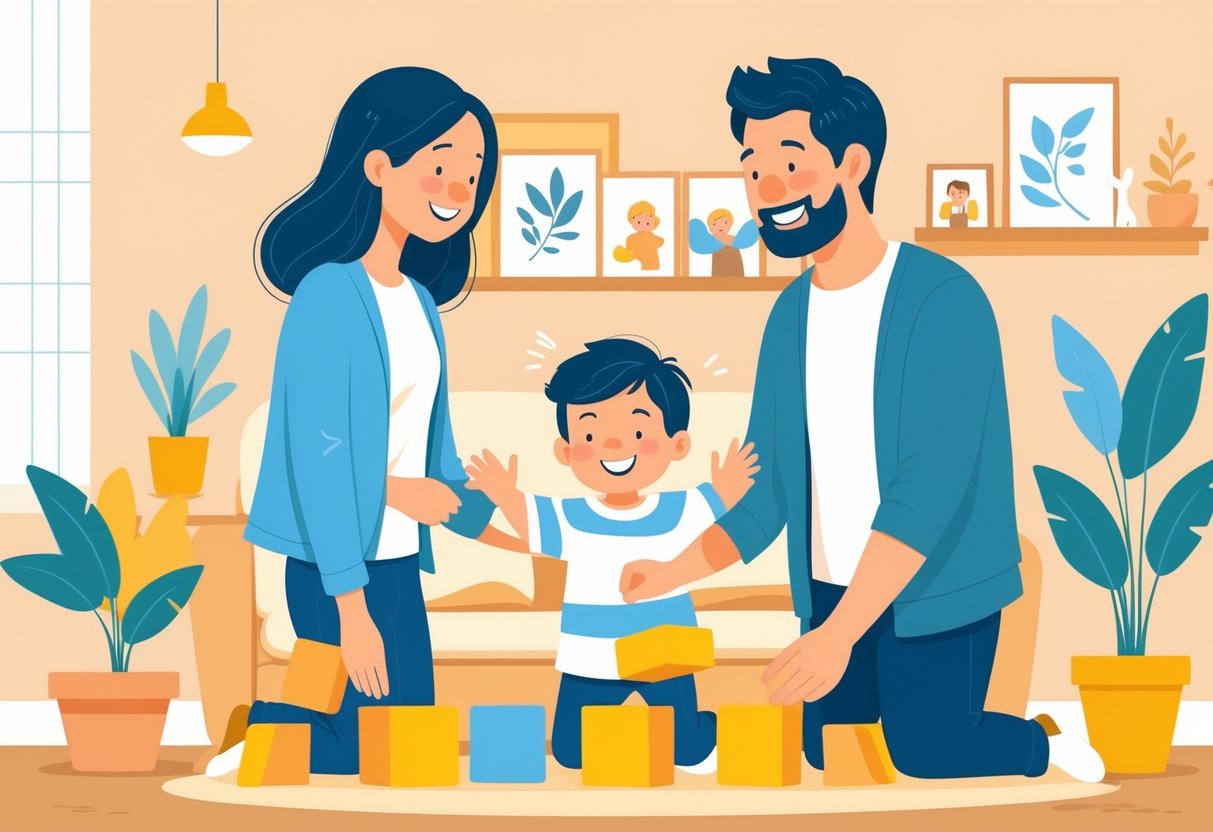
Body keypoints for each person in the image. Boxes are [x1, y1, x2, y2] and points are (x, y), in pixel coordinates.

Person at [620, 57, 1105, 783]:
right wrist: (671, 571)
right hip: (830, 590)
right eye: (752, 170)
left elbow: (928, 492)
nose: (768, 191)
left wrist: (836, 639)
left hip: (931, 591)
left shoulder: (943, 300)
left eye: (790, 163)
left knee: (924, 752)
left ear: (852, 163)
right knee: (827, 753)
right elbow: (767, 488)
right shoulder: (789, 316)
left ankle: (1039, 742)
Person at [205, 67, 508, 777]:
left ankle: (280, 732)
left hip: (397, 560)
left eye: (472, 174)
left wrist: (521, 523)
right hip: (330, 563)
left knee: (406, 751)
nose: (458, 192)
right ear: (378, 165)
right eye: (441, 167)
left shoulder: (422, 305)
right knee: (356, 755)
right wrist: (352, 609)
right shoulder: (327, 295)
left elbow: (438, 461)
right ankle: (266, 731)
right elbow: (320, 457)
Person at [465, 338, 758, 775]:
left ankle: (700, 729)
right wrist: (507, 495)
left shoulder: (678, 508)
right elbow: (534, 525)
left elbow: (716, 508)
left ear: (678, 445)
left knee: (692, 752)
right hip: (591, 656)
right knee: (571, 752)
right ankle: (633, 736)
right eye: (589, 433)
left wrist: (728, 487)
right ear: (566, 452)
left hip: (664, 650)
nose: (615, 445)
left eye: (640, 432)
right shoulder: (573, 515)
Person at [688, 208, 759, 276]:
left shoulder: (732, 240)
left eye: (725, 222)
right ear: (709, 227)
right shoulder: (714, 241)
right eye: (714, 224)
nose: (720, 226)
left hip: (736, 269)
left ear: (731, 224)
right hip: (719, 269)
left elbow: (745, 239)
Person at [612, 200, 665, 270]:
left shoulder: (632, 238)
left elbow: (660, 241)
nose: (643, 225)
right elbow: (660, 242)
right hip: (651, 264)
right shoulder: (632, 238)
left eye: (647, 223)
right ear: (632, 221)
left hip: (652, 265)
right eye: (639, 222)